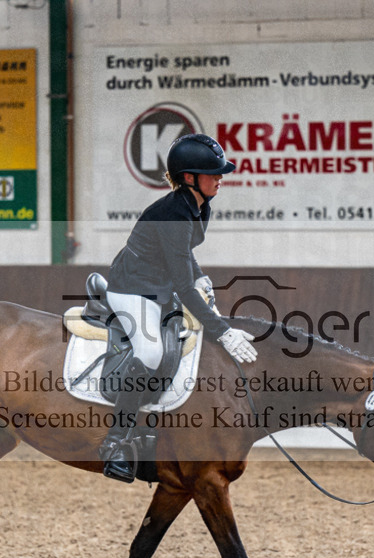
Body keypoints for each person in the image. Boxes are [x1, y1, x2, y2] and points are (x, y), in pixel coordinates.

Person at [99, 133, 258, 483]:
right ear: (189, 177)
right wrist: (223, 331)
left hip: (159, 285)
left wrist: (200, 277)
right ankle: (117, 442)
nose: (220, 177)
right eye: (212, 172)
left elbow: (183, 256)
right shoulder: (174, 212)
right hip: (132, 289)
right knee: (152, 352)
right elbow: (183, 287)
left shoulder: (199, 204)